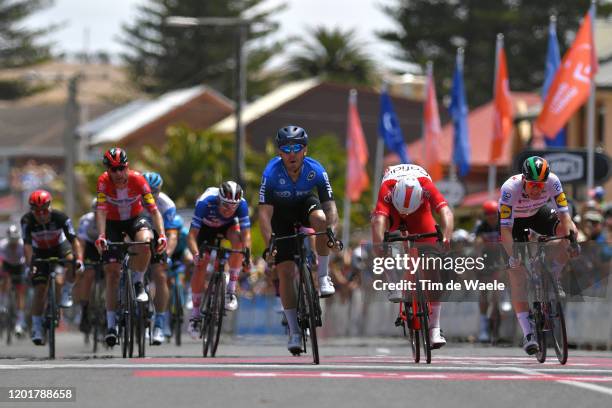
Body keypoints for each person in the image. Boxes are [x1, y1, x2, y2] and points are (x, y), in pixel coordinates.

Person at [258, 125, 340, 354]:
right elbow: (264, 214)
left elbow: (330, 206)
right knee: (284, 272)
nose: (291, 153)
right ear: (280, 153)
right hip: (281, 215)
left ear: (305, 150)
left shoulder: (316, 170)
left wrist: (331, 231)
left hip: (306, 205)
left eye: (296, 148)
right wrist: (269, 243)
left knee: (321, 220)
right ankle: (294, 331)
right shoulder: (271, 173)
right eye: (286, 149)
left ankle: (323, 277)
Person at [498, 156, 577, 355]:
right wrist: (513, 257)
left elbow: (565, 217)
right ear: (524, 180)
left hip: (538, 214)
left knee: (571, 233)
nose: (536, 190)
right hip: (514, 223)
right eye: (532, 185)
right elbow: (505, 230)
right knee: (516, 275)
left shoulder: (554, 182)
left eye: (540, 186)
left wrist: (572, 240)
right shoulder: (510, 189)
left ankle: (554, 274)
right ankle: (528, 333)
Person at [371, 163, 454, 349]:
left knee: (432, 264)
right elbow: (379, 222)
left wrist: (447, 237)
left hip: (420, 213)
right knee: (386, 242)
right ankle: (393, 279)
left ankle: (435, 327)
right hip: (392, 212)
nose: (405, 213)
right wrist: (381, 249)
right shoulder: (387, 188)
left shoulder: (426, 186)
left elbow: (446, 212)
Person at [94, 148, 167, 347]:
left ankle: (138, 280)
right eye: (113, 169)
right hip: (113, 223)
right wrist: (101, 236)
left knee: (145, 241)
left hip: (136, 218)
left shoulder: (138, 180)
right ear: (107, 170)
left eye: (121, 168)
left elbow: (153, 210)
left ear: (127, 166)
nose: (118, 174)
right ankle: (111, 326)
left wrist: (161, 235)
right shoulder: (102, 182)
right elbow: (100, 211)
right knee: (112, 273)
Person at [187, 181, 251, 338]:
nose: (230, 209)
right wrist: (196, 254)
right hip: (205, 229)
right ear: (218, 200)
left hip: (227, 227)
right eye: (226, 205)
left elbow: (246, 233)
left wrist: (247, 254)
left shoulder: (241, 204)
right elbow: (192, 236)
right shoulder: (205, 202)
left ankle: (230, 291)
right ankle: (195, 316)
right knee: (202, 262)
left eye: (233, 206)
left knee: (238, 243)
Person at [21, 190, 83, 345]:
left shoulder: (60, 217)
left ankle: (67, 291)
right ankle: (36, 327)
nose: (41, 215)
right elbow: (27, 245)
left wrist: (80, 260)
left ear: (50, 207)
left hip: (59, 246)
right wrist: (30, 266)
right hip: (39, 251)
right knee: (40, 289)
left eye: (44, 211)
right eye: (37, 211)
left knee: (71, 260)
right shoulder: (26, 221)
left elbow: (74, 241)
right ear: (32, 210)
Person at [142, 172, 182, 345]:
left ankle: (159, 323)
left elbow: (172, 235)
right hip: (136, 235)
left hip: (159, 236)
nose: (150, 196)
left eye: (154, 192)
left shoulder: (167, 204)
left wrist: (168, 254)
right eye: (146, 192)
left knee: (160, 275)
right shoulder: (132, 200)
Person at [472, 200, 504, 343]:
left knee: (496, 296)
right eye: (488, 215)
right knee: (484, 294)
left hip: (499, 262)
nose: (491, 217)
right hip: (485, 263)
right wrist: (478, 261)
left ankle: (496, 325)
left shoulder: (502, 226)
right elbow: (477, 245)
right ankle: (484, 328)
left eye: (494, 215)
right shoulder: (481, 227)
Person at [75, 199, 101, 335]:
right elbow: (81, 242)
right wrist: (80, 260)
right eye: (96, 211)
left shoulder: (112, 218)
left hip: (105, 246)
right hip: (90, 248)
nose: (99, 213)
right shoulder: (86, 220)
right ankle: (84, 310)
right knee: (88, 274)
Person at [0, 225, 27, 335]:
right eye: (12, 242)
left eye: (15, 242)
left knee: (20, 293)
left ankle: (20, 321)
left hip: (20, 266)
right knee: (5, 279)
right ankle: (2, 303)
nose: (13, 245)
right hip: (7, 265)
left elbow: (28, 259)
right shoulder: (2, 245)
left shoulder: (23, 244)